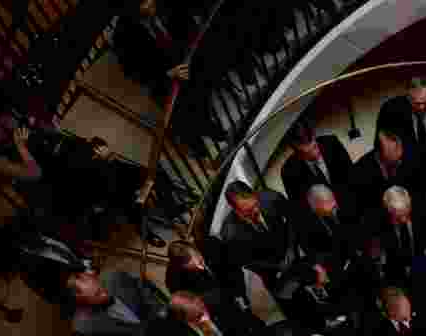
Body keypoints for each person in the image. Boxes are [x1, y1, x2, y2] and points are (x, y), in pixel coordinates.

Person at [113, 0, 224, 162]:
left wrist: (191, 54)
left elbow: (186, 24)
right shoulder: (124, 34)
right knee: (181, 117)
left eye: (150, 2)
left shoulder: (164, 6)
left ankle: (208, 126)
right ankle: (197, 146)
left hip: (187, 65)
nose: (150, 6)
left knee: (201, 99)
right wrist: (167, 74)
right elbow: (132, 71)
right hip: (163, 82)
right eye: (143, 4)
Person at [64, 270, 171, 336]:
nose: (105, 294)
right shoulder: (85, 327)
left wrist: (160, 310)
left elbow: (142, 287)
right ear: (83, 302)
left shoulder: (114, 277)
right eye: (98, 294)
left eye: (100, 287)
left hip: (156, 324)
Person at [219, 181, 302, 298]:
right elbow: (246, 262)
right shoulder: (230, 235)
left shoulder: (272, 198)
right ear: (236, 210)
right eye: (248, 211)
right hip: (272, 275)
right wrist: (276, 267)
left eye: (255, 205)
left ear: (255, 195)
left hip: (293, 256)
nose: (256, 211)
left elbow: (292, 220)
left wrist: (291, 248)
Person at [364, 185, 426, 286]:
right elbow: (379, 256)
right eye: (400, 215)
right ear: (389, 209)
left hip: (422, 270)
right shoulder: (377, 224)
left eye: (406, 213)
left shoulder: (421, 212)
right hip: (395, 276)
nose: (404, 219)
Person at [349, 129, 423, 214]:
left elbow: (416, 195)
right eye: (394, 162)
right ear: (379, 156)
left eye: (399, 157)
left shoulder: (406, 159)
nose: (399, 162)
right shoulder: (359, 174)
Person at [280, 123, 353, 210]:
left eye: (312, 141)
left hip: (349, 201)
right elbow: (300, 207)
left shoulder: (332, 143)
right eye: (305, 146)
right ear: (295, 149)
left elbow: (351, 174)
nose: (314, 150)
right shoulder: (289, 172)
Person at [296, 184, 355, 266]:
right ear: (314, 208)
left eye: (334, 206)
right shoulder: (306, 227)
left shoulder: (345, 204)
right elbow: (316, 257)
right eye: (327, 213)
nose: (334, 212)